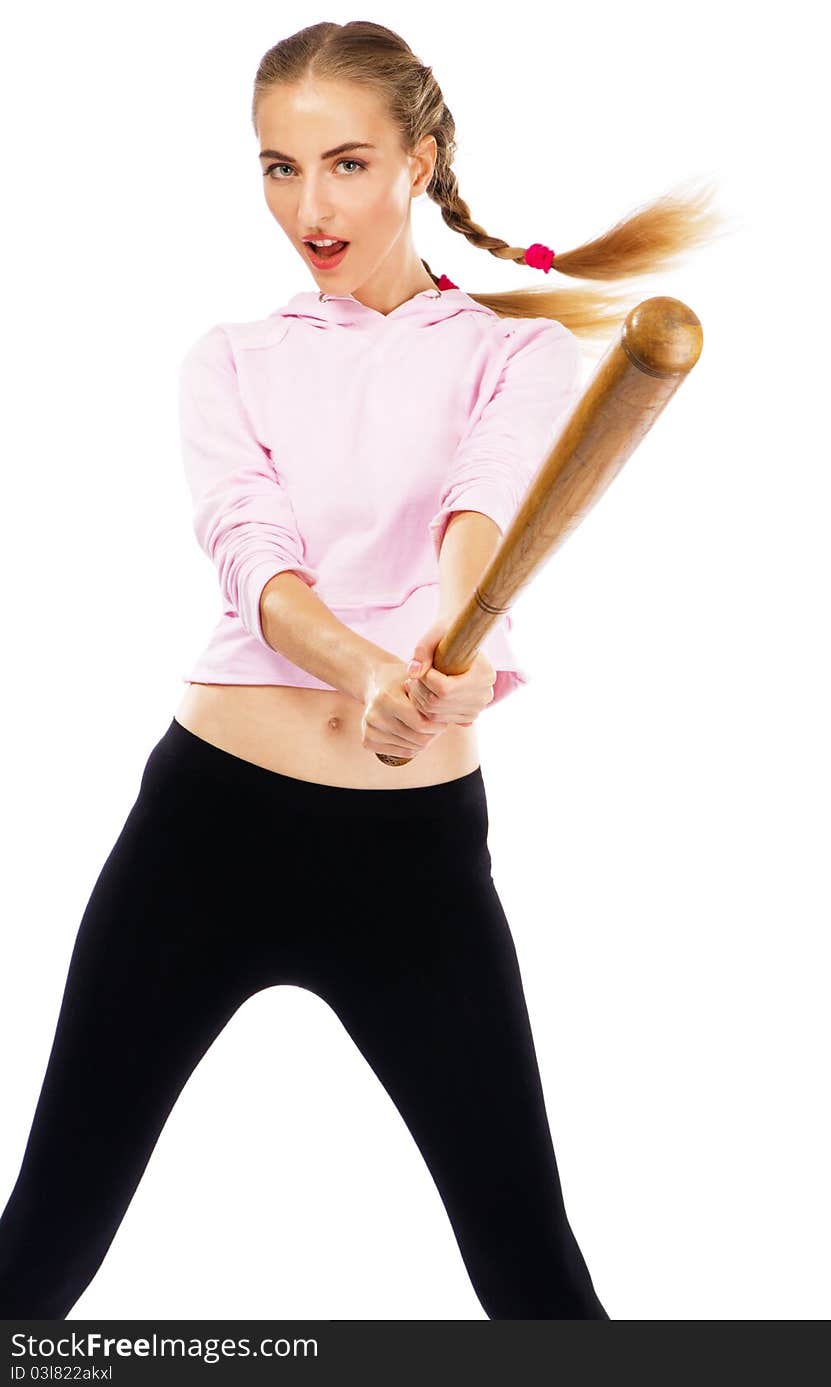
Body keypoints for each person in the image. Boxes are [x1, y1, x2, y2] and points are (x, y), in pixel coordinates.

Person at [0, 19, 719, 1320]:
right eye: (278, 167)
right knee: (36, 1255)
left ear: (418, 160)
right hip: (205, 831)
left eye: (343, 163)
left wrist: (451, 652)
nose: (308, 205)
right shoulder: (231, 359)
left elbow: (479, 513)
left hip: (414, 864)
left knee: (534, 1270)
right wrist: (366, 667)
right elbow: (254, 561)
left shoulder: (516, 353)